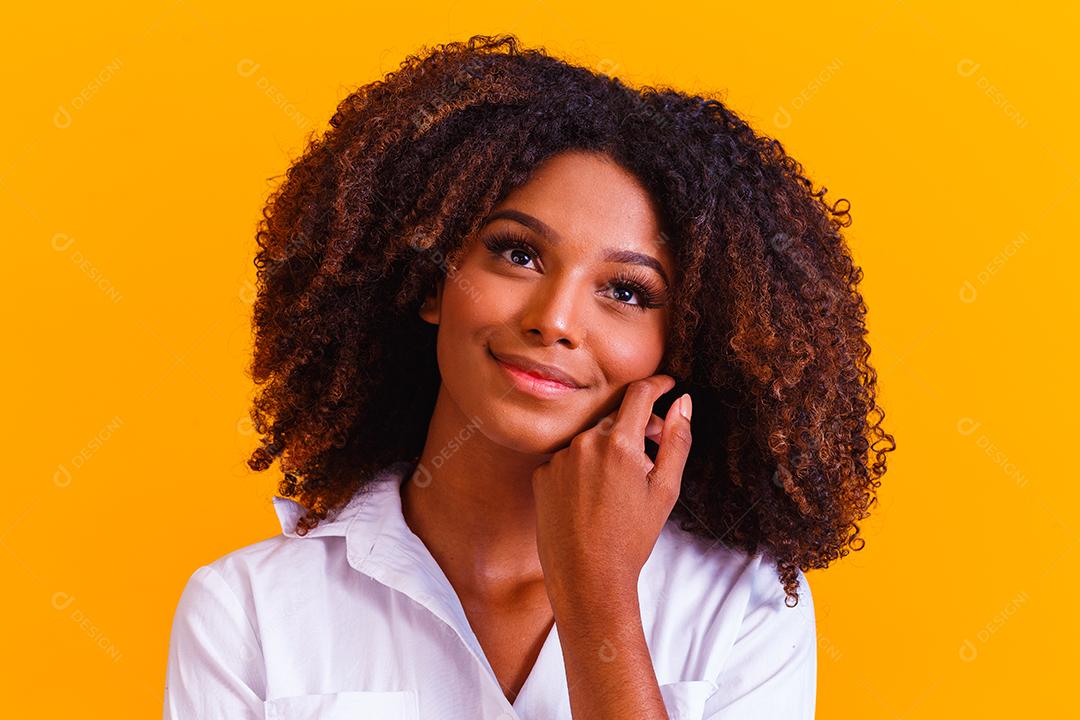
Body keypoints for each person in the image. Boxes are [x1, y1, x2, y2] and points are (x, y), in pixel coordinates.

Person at [163, 33, 894, 720]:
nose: (556, 319)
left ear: (680, 349)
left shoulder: (738, 606)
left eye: (628, 292)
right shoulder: (249, 610)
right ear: (430, 282)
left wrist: (598, 597)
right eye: (518, 254)